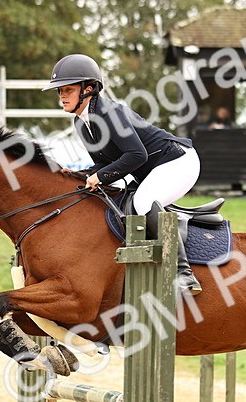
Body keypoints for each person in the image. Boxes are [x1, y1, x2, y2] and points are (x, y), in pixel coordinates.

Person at [43, 53, 202, 294]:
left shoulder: (109, 112)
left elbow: (137, 156)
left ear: (89, 88)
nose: (62, 96)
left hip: (179, 161)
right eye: (60, 91)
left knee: (143, 202)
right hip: (155, 168)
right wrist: (78, 174)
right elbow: (105, 164)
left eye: (67, 89)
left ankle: (184, 274)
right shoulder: (81, 122)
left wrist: (100, 176)